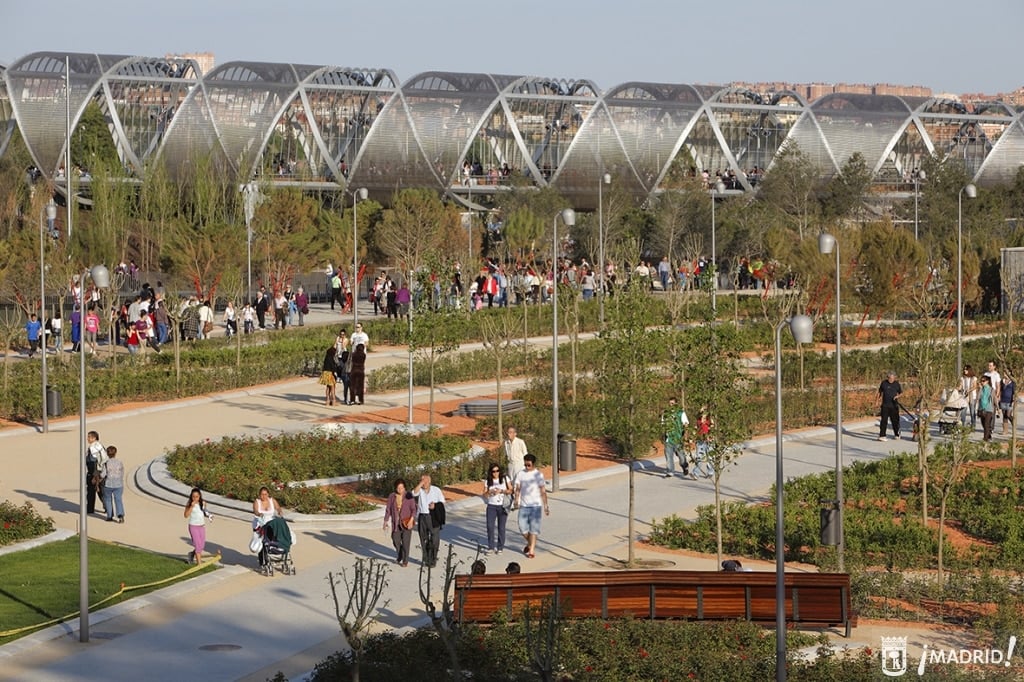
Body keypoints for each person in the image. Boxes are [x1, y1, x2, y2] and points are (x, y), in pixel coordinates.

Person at [513, 454, 548, 559]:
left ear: (533, 464)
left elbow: (542, 491)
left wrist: (546, 505)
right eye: (525, 464)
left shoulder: (538, 475)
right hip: (524, 505)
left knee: (533, 529)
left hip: (536, 506)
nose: (526, 466)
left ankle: (531, 550)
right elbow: (518, 488)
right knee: (522, 527)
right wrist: (516, 500)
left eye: (528, 464)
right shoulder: (520, 474)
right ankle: (530, 543)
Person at [382, 478, 417, 567]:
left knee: (406, 542)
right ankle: (400, 553)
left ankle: (405, 561)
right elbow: (388, 510)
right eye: (398, 488)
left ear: (404, 488)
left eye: (401, 488)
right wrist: (385, 521)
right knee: (395, 540)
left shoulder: (408, 495)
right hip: (396, 523)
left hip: (406, 522)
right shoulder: (392, 496)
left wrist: (411, 520)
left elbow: (414, 509)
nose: (400, 490)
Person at [412, 474, 446, 567]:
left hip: (433, 516)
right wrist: (420, 484)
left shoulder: (436, 490)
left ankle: (433, 559)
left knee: (435, 539)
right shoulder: (420, 490)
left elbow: (442, 502)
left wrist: (435, 505)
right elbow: (413, 493)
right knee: (423, 539)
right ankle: (426, 559)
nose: (424, 483)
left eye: (425, 481)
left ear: (430, 481)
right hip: (422, 516)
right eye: (422, 481)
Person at [482, 463, 512, 554]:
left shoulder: (505, 479)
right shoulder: (488, 481)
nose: (496, 473)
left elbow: (511, 490)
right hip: (491, 506)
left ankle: (500, 547)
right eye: (493, 471)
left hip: (502, 506)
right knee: (490, 526)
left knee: (501, 527)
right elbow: (484, 494)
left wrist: (501, 491)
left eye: (497, 471)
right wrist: (489, 492)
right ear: (491, 472)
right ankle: (491, 547)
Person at [662, 397, 690, 478]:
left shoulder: (681, 413)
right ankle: (670, 471)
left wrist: (685, 436)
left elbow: (686, 424)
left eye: (672, 403)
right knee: (668, 456)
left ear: (676, 404)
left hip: (678, 438)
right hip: (669, 438)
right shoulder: (666, 413)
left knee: (681, 456)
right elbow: (663, 424)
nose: (670, 405)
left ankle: (684, 465)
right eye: (669, 403)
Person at [184, 487, 213, 565]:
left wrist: (209, 516)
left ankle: (191, 555)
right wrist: (191, 507)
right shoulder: (189, 504)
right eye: (193, 496)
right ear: (191, 496)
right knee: (198, 546)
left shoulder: (203, 503)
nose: (195, 498)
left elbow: (204, 512)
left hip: (201, 526)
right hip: (193, 526)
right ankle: (199, 564)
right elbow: (186, 515)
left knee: (201, 545)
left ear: (200, 496)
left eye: (197, 496)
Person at [86, 430, 109, 515]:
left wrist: (96, 472)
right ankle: (107, 507)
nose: (87, 438)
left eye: (89, 437)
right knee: (100, 491)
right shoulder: (99, 446)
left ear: (94, 438)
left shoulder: (95, 447)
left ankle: (90, 508)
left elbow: (97, 460)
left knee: (93, 491)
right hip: (98, 471)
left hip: (95, 472)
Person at [102, 445, 125, 523]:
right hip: (118, 484)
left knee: (108, 499)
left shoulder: (106, 463)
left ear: (107, 454)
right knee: (118, 499)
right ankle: (120, 515)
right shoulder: (119, 462)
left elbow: (103, 474)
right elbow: (122, 472)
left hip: (108, 483)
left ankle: (109, 515)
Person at [877, 372, 903, 441]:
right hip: (885, 405)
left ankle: (897, 434)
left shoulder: (896, 384)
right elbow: (880, 392)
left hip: (894, 405)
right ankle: (882, 435)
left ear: (894, 378)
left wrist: (897, 396)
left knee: (895, 421)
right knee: (884, 420)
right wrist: (877, 400)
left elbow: (901, 393)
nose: (891, 380)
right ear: (887, 378)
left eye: (893, 378)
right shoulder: (884, 383)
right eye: (890, 378)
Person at [960, 365, 979, 429]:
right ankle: (963, 424)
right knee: (963, 411)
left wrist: (969, 390)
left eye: (966, 369)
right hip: (964, 396)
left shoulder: (974, 378)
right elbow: (960, 386)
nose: (965, 371)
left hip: (972, 396)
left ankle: (973, 424)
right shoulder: (962, 378)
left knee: (972, 411)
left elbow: (975, 386)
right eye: (964, 369)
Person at [978, 374, 996, 441]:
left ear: (987, 381)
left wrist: (998, 408)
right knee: (983, 424)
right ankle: (989, 435)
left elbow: (995, 399)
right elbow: (978, 398)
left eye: (983, 381)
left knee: (986, 424)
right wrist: (980, 389)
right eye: (981, 381)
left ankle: (985, 439)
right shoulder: (981, 389)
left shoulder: (991, 390)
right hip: (982, 408)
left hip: (989, 409)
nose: (982, 382)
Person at [1000, 372, 1016, 436]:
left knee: (1008, 415)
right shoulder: (1002, 381)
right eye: (1004, 373)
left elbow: (1014, 392)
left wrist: (1014, 400)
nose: (1004, 374)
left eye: (1006, 373)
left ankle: (1014, 426)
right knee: (1004, 416)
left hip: (1010, 401)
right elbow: (1001, 390)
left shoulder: (1012, 382)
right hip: (1003, 400)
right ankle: (1005, 430)